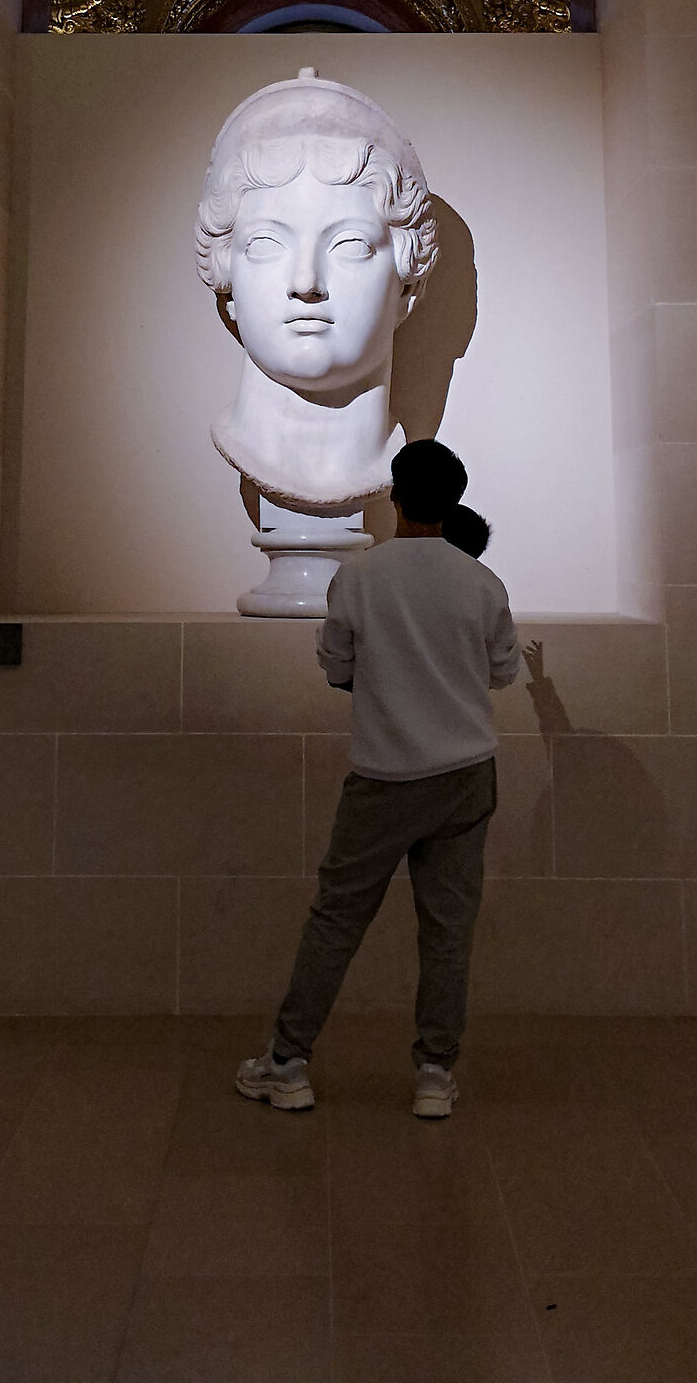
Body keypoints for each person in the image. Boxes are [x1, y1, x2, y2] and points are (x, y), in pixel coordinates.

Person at [236, 439, 520, 1121]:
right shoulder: (482, 582)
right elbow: (502, 672)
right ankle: (432, 1074)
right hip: (465, 776)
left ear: (393, 497)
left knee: (336, 921)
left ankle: (288, 1063)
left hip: (385, 775)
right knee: (448, 932)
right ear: (454, 501)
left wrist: (380, 680)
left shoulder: (360, 576)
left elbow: (335, 663)